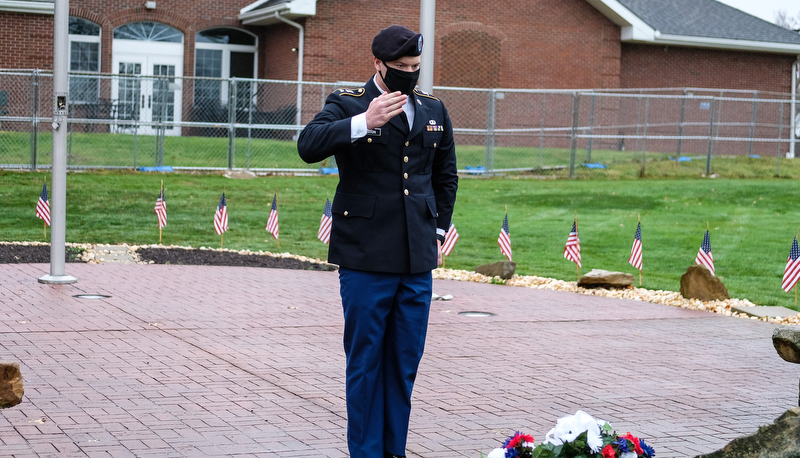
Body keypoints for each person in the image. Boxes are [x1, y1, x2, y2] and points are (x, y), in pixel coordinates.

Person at [297, 24, 458, 458]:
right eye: (400, 67)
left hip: (416, 258)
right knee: (366, 365)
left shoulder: (433, 109)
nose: (409, 74)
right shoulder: (348, 102)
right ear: (378, 65)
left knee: (403, 365)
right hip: (366, 256)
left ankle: (394, 452)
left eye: (415, 67)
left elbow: (445, 177)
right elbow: (307, 145)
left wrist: (438, 230)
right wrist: (362, 122)